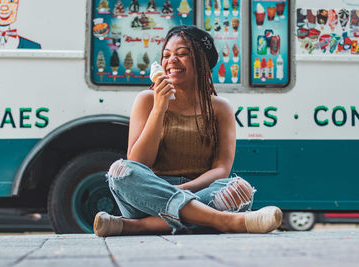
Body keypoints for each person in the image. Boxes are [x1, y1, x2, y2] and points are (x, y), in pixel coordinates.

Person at [94, 25, 282, 237]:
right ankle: (222, 221)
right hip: (148, 194)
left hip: (198, 191)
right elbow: (138, 162)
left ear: (202, 62)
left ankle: (136, 226)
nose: (171, 61)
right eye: (166, 55)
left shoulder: (220, 108)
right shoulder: (146, 100)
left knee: (240, 188)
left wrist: (181, 193)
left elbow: (221, 169)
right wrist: (159, 108)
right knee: (120, 171)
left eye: (182, 54)